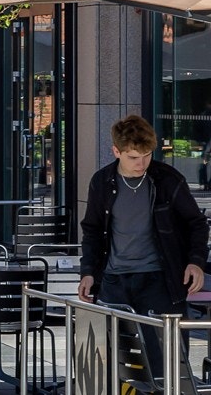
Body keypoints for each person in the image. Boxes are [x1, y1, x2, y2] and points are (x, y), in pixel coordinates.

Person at [80, 115, 208, 327]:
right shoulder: (101, 182)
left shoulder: (168, 179)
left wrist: (196, 262)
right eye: (133, 157)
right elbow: (92, 230)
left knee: (163, 355)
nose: (141, 163)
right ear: (116, 152)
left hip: (159, 280)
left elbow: (197, 223)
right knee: (119, 355)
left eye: (147, 155)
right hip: (114, 281)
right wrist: (88, 272)